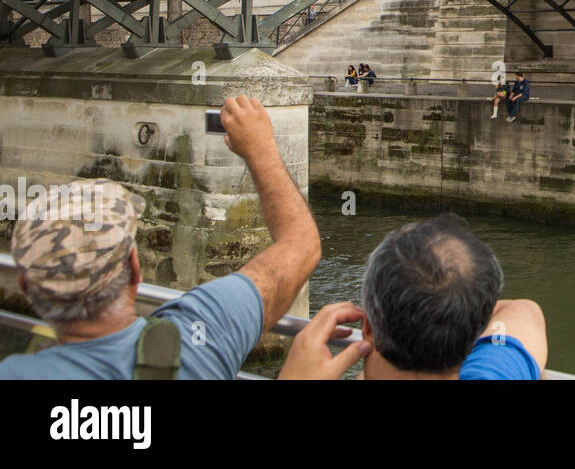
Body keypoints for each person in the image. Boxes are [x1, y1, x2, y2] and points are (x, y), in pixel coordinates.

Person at [0, 96, 321, 379]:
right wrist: (260, 148)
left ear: (27, 287)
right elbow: (301, 244)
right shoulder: (203, 335)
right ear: (134, 269)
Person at [277, 213, 546, 380]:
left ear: (367, 327)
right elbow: (525, 313)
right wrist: (455, 316)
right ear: (473, 335)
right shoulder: (493, 372)